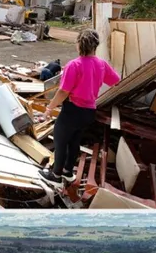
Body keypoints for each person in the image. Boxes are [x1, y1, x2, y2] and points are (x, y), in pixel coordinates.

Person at [39, 29, 121, 187]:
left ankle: (56, 176)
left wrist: (50, 108)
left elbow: (63, 91)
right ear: (95, 46)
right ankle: (68, 173)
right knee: (74, 142)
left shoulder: (74, 65)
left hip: (73, 110)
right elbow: (116, 81)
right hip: (89, 112)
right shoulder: (101, 64)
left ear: (79, 45)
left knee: (61, 141)